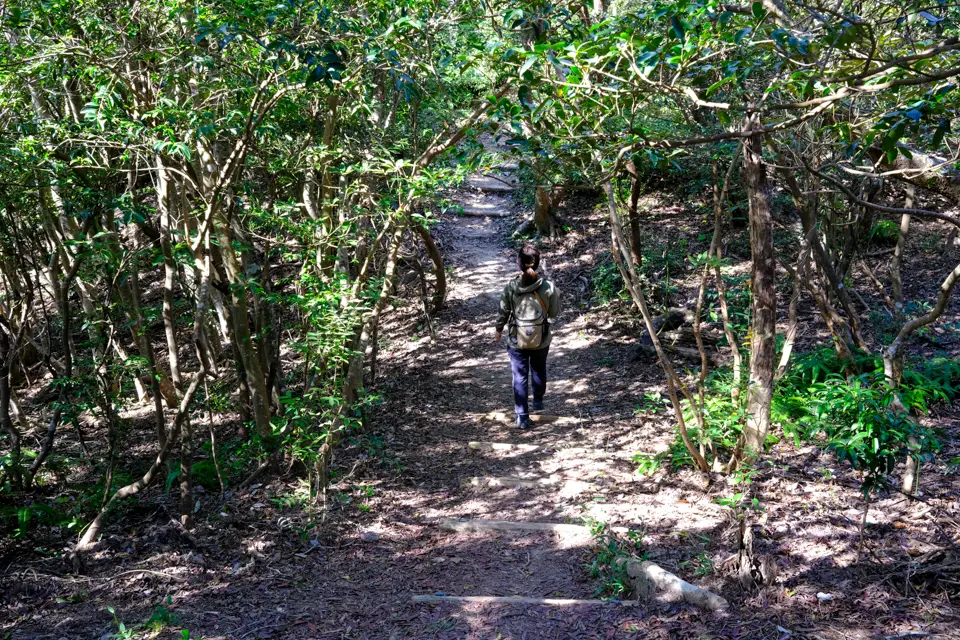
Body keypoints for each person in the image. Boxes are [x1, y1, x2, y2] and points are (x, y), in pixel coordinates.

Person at [494, 245, 560, 429]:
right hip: (541, 339)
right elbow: (554, 313)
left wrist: (499, 329)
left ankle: (522, 416)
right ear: (537, 263)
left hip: (516, 340)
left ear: (519, 263)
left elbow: (503, 311)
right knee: (538, 368)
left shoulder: (511, 287)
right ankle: (538, 400)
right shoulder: (548, 287)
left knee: (519, 375)